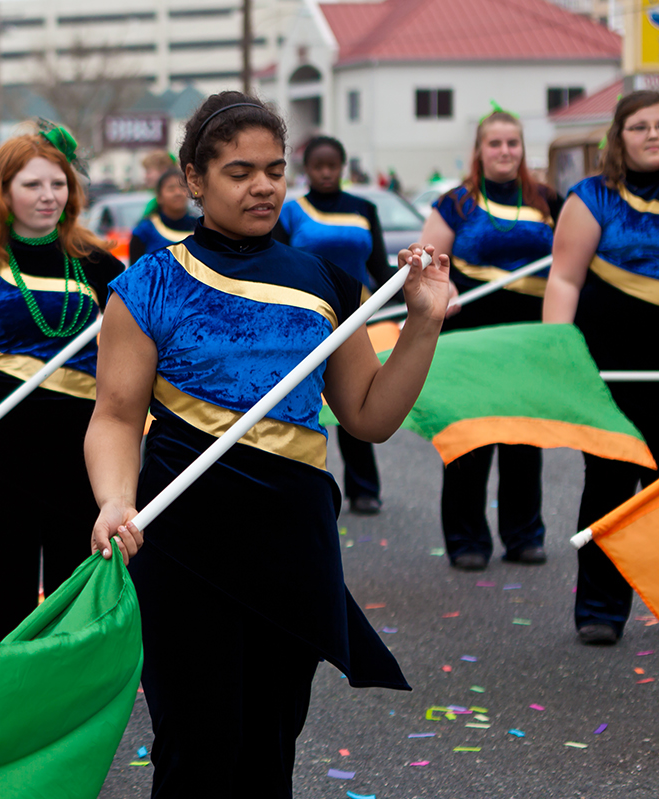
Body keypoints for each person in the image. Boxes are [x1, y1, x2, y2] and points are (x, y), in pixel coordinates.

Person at [84, 93, 450, 799]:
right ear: (194, 179)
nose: (259, 187)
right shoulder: (147, 284)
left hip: (291, 536)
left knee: (268, 744)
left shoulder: (324, 277)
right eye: (237, 171)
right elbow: (115, 416)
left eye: (272, 170)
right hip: (183, 535)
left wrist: (428, 323)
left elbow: (368, 414)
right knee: (198, 739)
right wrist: (113, 502)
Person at [0, 123, 126, 643]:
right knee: (9, 602)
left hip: (80, 453)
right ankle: (5, 720)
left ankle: (61, 718)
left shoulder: (101, 268)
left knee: (67, 601)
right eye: (33, 185)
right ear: (4, 192)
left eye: (57, 184)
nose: (48, 196)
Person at [421, 111, 562, 569]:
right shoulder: (456, 203)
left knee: (524, 440)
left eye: (512, 144)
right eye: (495, 143)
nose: (504, 151)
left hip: (528, 339)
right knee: (470, 440)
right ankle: (466, 540)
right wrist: (448, 288)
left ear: (523, 149)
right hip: (470, 338)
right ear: (479, 150)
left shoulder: (548, 200)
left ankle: (523, 535)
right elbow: (426, 265)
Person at [544, 90, 659, 646]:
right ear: (618, 137)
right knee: (609, 486)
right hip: (612, 373)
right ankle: (600, 609)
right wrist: (558, 358)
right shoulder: (591, 197)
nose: (653, 134)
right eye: (640, 126)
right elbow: (564, 280)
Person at [275, 135, 396, 515]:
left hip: (356, 321)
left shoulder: (365, 208)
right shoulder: (290, 211)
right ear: (306, 170)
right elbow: (276, 268)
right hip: (304, 322)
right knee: (301, 406)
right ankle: (302, 487)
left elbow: (379, 268)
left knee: (357, 402)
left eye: (332, 165)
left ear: (343, 166)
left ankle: (363, 489)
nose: (326, 173)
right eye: (318, 166)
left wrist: (416, 287)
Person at [128, 166, 201, 262]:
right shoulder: (144, 231)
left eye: (183, 188)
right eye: (171, 189)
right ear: (159, 197)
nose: (178, 193)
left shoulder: (200, 229)